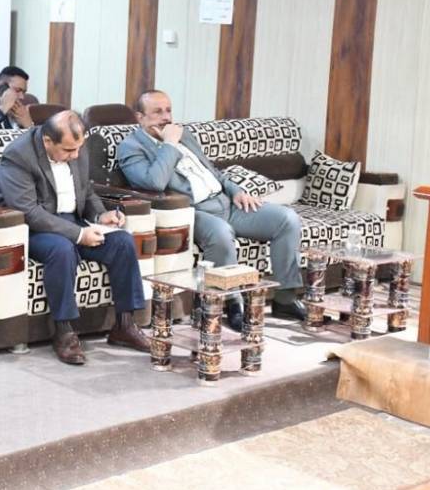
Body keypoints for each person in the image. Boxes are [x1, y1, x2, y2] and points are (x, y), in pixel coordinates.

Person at [118, 90, 305, 330]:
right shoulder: (131, 147)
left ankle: (286, 298)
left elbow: (213, 172)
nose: (166, 117)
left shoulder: (185, 135)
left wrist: (236, 190)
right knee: (221, 232)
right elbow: (154, 183)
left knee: (287, 219)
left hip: (226, 202)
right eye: (157, 112)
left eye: (168, 110)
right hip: (192, 211)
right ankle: (233, 305)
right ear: (140, 117)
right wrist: (170, 144)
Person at [0, 111, 149, 365]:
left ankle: (124, 325)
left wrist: (100, 215)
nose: (75, 155)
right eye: (68, 150)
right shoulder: (18, 156)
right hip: (28, 227)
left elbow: (86, 191)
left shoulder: (77, 147)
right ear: (47, 141)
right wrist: (79, 234)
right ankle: (64, 331)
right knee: (62, 249)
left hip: (72, 220)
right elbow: (29, 212)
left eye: (78, 148)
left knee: (122, 242)